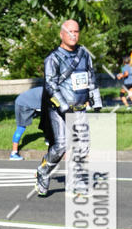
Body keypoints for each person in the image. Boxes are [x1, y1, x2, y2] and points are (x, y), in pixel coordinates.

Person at [36, 20, 102, 197]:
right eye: (69, 31)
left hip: (80, 108)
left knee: (82, 147)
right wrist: (64, 106)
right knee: (61, 146)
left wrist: (96, 100)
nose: (73, 35)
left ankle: (77, 181)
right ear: (61, 34)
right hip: (59, 110)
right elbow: (50, 85)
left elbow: (91, 76)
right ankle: (43, 171)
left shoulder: (83, 54)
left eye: (76, 31)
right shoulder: (53, 58)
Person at [9, 85, 43, 159]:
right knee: (21, 127)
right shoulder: (49, 95)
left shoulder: (47, 90)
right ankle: (13, 153)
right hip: (23, 105)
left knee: (47, 119)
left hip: (22, 101)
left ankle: (48, 139)